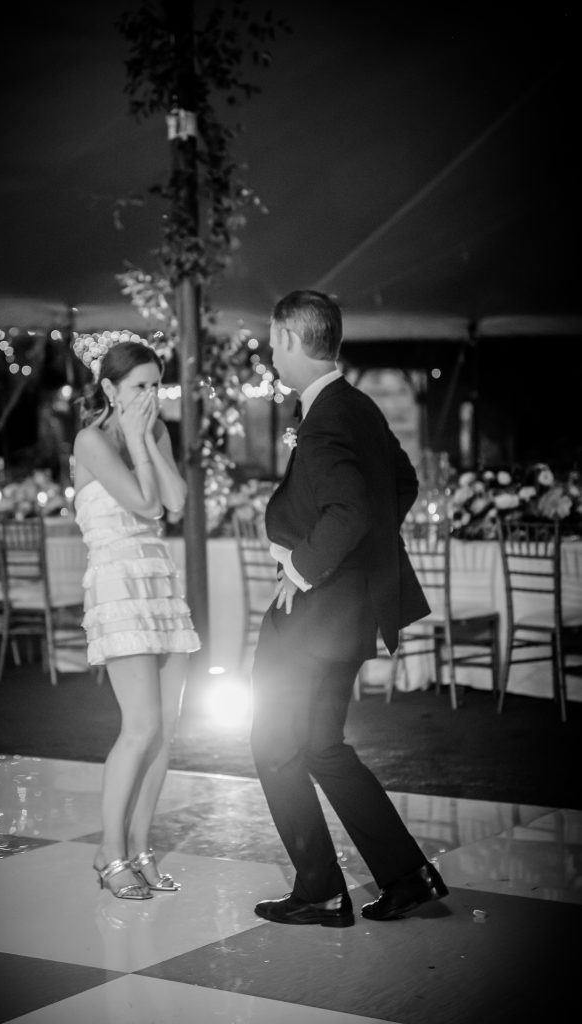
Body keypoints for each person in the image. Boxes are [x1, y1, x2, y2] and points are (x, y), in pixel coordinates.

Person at [251, 290, 447, 927]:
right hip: (345, 615)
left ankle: (321, 890)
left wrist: (306, 569)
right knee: (322, 747)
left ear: (289, 339)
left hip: (314, 619)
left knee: (275, 745)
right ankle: (407, 875)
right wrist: (356, 567)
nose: (270, 349)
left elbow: (354, 510)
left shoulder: (330, 415)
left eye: (272, 338)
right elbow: (403, 483)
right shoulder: (353, 403)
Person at [73, 339, 200, 900]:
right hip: (119, 585)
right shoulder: (91, 441)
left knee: (167, 732)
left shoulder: (155, 431)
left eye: (156, 386)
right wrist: (139, 444)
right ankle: (110, 850)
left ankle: (143, 849)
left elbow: (176, 500)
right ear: (108, 389)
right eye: (139, 387)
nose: (150, 397)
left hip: (159, 583)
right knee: (141, 725)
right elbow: (146, 505)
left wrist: (148, 435)